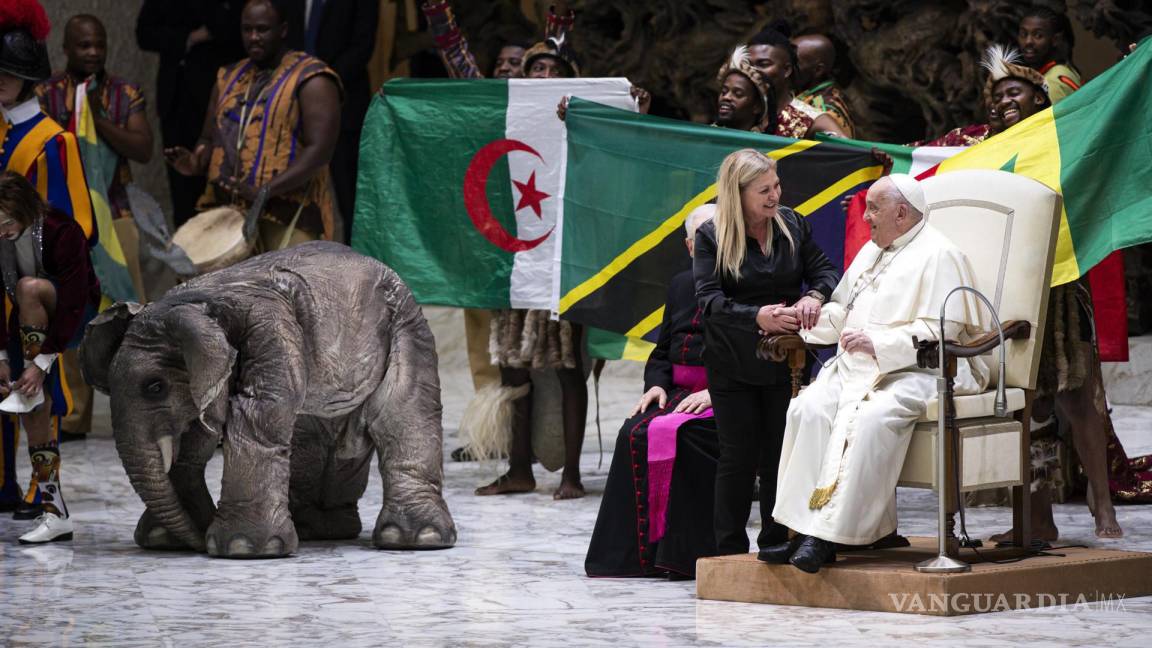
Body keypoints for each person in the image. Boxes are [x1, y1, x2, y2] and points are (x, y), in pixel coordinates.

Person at [766, 174, 988, 573]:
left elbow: (945, 331)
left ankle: (829, 537)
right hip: (857, 368)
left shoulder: (940, 255)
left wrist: (880, 345)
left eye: (873, 208)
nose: (865, 217)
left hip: (918, 369)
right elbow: (842, 312)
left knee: (870, 419)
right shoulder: (872, 251)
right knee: (808, 408)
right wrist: (801, 319)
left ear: (901, 213)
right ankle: (800, 530)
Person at [975, 45, 1126, 541]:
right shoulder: (982, 150)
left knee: (1079, 403)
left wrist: (1128, 71)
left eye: (1013, 91)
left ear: (1040, 97)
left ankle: (1102, 506)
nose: (1002, 102)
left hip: (1062, 286)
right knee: (1027, 405)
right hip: (1012, 292)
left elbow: (1112, 119)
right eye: (994, 97)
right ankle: (1038, 518)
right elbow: (925, 163)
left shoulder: (1066, 135)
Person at [694, 149, 839, 556]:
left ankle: (776, 542)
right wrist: (758, 315)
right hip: (732, 359)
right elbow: (708, 302)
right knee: (738, 458)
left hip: (785, 360)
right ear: (737, 194)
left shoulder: (792, 223)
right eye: (764, 190)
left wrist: (813, 295)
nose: (775, 196)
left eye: (776, 186)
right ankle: (727, 551)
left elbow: (826, 270)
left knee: (780, 453)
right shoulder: (711, 235)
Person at [473, 31, 591, 500]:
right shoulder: (510, 118)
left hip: (565, 255)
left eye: (552, 71)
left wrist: (621, 111)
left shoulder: (582, 119)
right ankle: (518, 468)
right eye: (535, 70)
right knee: (513, 368)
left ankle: (572, 475)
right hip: (518, 256)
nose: (543, 77)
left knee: (567, 367)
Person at [585, 205, 719, 579]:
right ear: (690, 247)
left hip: (722, 393)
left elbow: (748, 353)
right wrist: (656, 385)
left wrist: (718, 393)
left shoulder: (743, 281)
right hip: (676, 391)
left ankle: (679, 557)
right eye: (703, 242)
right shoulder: (680, 284)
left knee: (686, 436)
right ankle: (628, 559)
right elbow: (662, 350)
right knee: (633, 431)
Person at [37, 14, 153, 442]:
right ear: (65, 49)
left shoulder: (125, 93)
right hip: (64, 219)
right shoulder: (45, 93)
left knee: (130, 316)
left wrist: (97, 119)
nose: (92, 53)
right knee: (68, 314)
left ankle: (137, 413)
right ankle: (73, 417)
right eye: (83, 46)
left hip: (116, 215)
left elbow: (142, 148)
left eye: (99, 45)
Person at [0, 0, 96, 517]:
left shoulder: (51, 142)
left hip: (35, 284)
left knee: (39, 382)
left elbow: (78, 228)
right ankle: (2, 484)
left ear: (28, 76)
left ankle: (44, 488)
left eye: (8, 73)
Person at [165, 0, 343, 248]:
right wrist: (196, 162)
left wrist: (266, 190)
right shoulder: (227, 77)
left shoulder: (312, 78)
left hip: (290, 215)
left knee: (286, 285)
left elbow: (320, 152)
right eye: (247, 29)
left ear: (282, 30)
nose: (253, 37)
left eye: (262, 29)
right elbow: (208, 138)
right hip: (230, 215)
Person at [0, 171, 101, 543]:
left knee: (29, 287)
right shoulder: (0, 238)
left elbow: (76, 298)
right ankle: (55, 513)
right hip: (28, 325)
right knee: (32, 412)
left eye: (7, 222)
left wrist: (40, 364)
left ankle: (33, 380)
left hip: (73, 315)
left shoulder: (62, 229)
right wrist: (1, 358)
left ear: (25, 209)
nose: (2, 231)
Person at [136, 0, 246, 227]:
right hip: (175, 101)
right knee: (182, 187)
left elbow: (232, 29)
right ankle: (186, 256)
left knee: (220, 187)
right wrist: (188, 38)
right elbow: (144, 34)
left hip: (218, 101)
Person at [282, 0, 379, 242]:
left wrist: (320, 85)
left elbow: (362, 46)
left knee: (351, 199)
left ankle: (358, 263)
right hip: (291, 107)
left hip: (344, 107)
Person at [746, 24, 846, 139]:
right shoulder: (743, 106)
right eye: (747, 64)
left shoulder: (815, 114)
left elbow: (846, 149)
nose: (752, 71)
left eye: (763, 64)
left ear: (787, 69)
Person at [792, 33, 855, 137]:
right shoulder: (804, 93)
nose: (786, 68)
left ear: (818, 70)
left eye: (795, 63)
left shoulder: (823, 109)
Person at [1017, 5, 1081, 105]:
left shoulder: (1052, 82)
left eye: (1038, 35)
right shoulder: (1059, 70)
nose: (1028, 41)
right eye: (1023, 34)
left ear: (1055, 39)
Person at [714, 46, 778, 134]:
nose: (726, 97)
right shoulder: (703, 137)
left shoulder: (764, 146)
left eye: (738, 94)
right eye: (724, 92)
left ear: (757, 106)